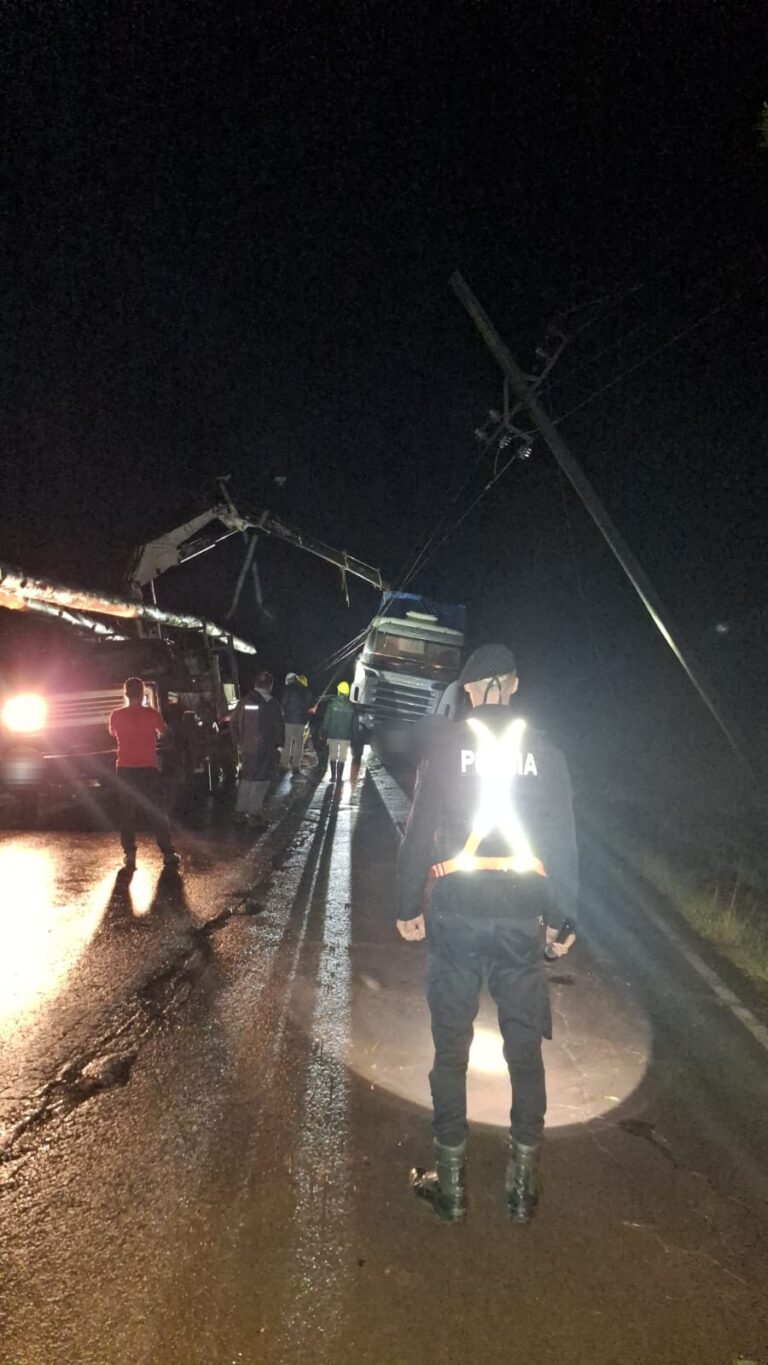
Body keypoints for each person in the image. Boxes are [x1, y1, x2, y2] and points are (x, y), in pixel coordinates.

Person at [396, 643, 578, 1224]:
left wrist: (406, 904)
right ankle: (521, 1190)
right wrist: (562, 918)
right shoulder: (547, 755)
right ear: (515, 685)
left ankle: (450, 1190)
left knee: (451, 1051)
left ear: (472, 690)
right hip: (521, 918)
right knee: (524, 1053)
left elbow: (418, 831)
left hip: (454, 914)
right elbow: (564, 844)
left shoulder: (445, 750)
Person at [108, 677, 180, 873]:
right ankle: (168, 853)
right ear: (142, 694)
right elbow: (163, 733)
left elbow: (114, 734)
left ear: (126, 694)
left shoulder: (116, 715)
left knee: (127, 813)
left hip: (124, 768)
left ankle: (129, 855)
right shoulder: (152, 715)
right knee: (156, 811)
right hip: (148, 768)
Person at [232, 671, 284, 824]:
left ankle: (240, 811)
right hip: (265, 749)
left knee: (247, 778)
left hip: (247, 748)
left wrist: (238, 742)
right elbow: (278, 726)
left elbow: (233, 722)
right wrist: (280, 744)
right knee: (261, 780)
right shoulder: (272, 703)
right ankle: (253, 813)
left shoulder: (244, 701)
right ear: (270, 686)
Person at [320, 680, 355, 782]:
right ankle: (339, 778)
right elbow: (354, 724)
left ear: (338, 691)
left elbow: (326, 720)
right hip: (345, 736)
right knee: (342, 757)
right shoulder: (351, 706)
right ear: (348, 692)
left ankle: (333, 777)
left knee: (333, 755)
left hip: (333, 734)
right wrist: (353, 736)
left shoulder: (332, 705)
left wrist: (323, 731)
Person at [281, 672, 313, 775]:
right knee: (299, 744)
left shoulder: (288, 690)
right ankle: (296, 766)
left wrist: (285, 713)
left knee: (288, 742)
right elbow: (308, 704)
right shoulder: (305, 690)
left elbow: (284, 703)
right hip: (301, 721)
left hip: (289, 720)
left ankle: (284, 764)